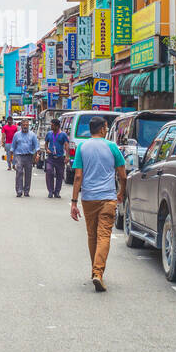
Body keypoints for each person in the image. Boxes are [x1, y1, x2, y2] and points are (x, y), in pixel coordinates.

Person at [69, 116, 127, 292]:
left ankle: (95, 270)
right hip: (108, 198)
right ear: (102, 129)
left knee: (92, 235)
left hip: (88, 198)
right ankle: (98, 272)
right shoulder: (112, 147)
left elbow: (78, 176)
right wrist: (121, 193)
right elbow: (123, 175)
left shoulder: (82, 147)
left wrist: (73, 202)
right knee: (103, 236)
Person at [11, 118, 41, 197]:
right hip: (19, 156)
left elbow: (37, 146)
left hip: (29, 156)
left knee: (28, 174)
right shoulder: (16, 135)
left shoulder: (32, 135)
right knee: (19, 172)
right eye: (23, 125)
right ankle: (19, 190)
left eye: (26, 125)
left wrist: (37, 155)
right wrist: (12, 159)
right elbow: (13, 147)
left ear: (28, 126)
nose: (25, 126)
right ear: (21, 125)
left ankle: (26, 191)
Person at [43, 117, 70, 199]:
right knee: (49, 171)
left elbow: (66, 145)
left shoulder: (63, 135)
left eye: (52, 125)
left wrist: (67, 156)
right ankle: (50, 191)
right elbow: (46, 143)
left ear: (57, 126)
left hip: (59, 157)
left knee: (59, 175)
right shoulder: (49, 134)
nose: (51, 127)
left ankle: (57, 192)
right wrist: (47, 149)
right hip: (50, 157)